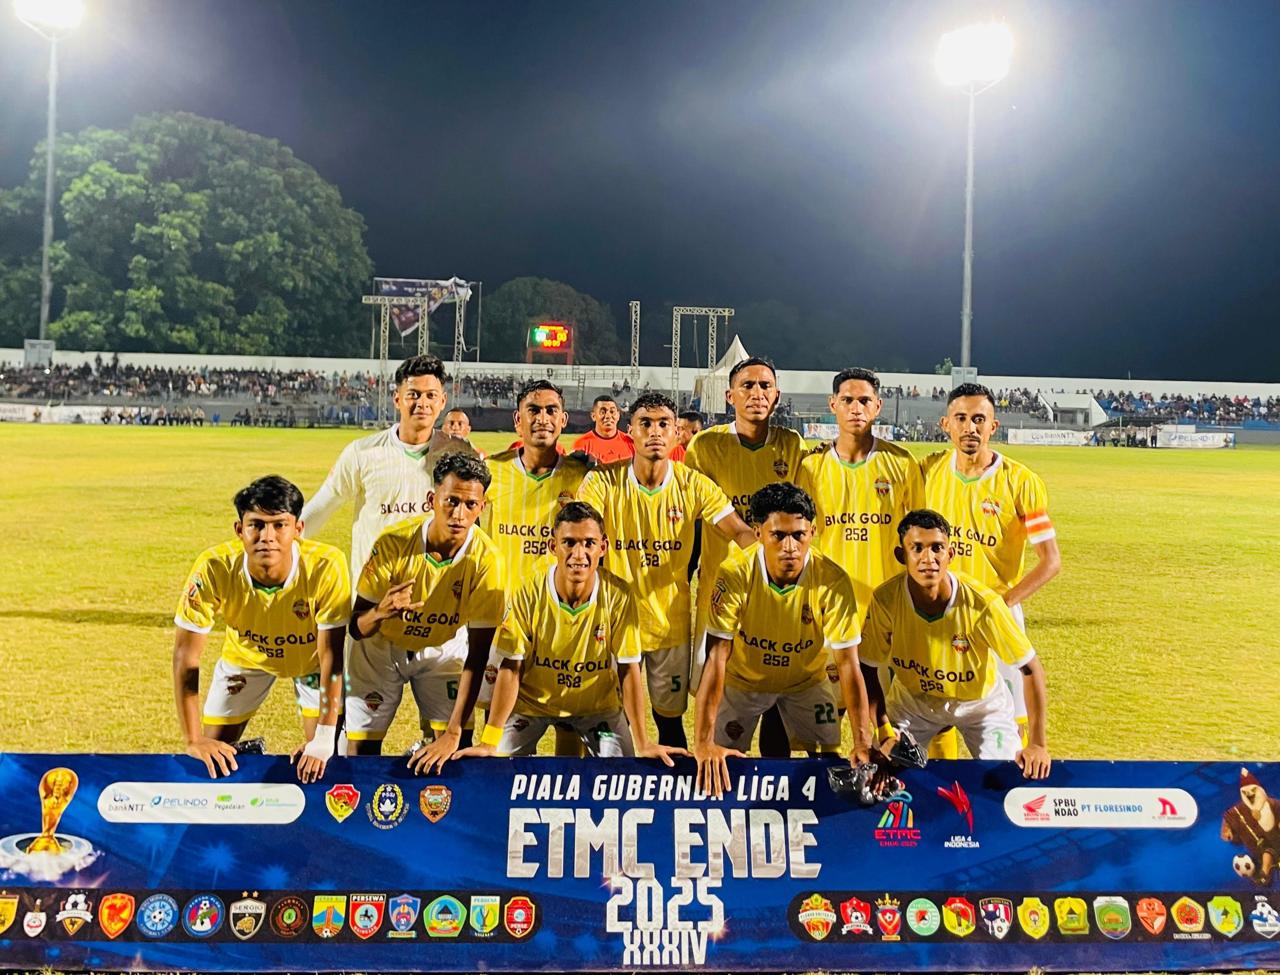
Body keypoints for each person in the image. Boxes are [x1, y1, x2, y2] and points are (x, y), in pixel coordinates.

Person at [579, 392, 755, 748]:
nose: (655, 432)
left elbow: (737, 530)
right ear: (631, 432)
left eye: (664, 424)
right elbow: (582, 528)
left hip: (669, 624)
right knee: (613, 721)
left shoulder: (693, 484)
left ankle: (671, 799)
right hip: (611, 623)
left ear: (677, 433)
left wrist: (770, 562)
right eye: (645, 423)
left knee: (670, 723)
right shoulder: (603, 482)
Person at [455, 502, 686, 763]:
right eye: (569, 543)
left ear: (603, 547)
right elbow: (511, 667)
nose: (579, 554)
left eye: (589, 543)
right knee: (495, 767)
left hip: (597, 710)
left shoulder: (619, 596)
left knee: (621, 773)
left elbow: (629, 668)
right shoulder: (528, 592)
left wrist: (642, 742)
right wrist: (489, 740)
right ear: (553, 546)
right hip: (532, 706)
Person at [693, 483, 871, 797]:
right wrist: (702, 742)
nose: (790, 546)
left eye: (799, 535)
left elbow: (848, 664)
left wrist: (863, 741)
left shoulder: (832, 579)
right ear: (759, 532)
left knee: (830, 757)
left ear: (813, 532)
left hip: (806, 681)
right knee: (720, 760)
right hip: (743, 681)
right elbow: (717, 658)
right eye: (778, 535)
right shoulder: (734, 574)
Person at [172, 476, 349, 782]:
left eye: (279, 525)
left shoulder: (327, 566)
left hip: (311, 664)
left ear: (298, 529)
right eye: (256, 524)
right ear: (239, 530)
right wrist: (193, 739)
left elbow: (332, 657)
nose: (267, 536)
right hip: (246, 659)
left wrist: (323, 738)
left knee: (327, 759)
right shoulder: (214, 567)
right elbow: (186, 656)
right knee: (211, 755)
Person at [922, 382, 1061, 755]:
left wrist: (1004, 601)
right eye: (962, 419)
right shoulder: (930, 473)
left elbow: (1050, 561)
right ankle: (946, 802)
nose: (970, 427)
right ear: (946, 424)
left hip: (995, 615)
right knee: (938, 713)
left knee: (1006, 723)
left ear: (993, 426)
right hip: (940, 614)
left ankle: (1004, 804)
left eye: (979, 419)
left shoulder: (1021, 482)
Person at [859, 509, 1051, 779]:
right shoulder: (886, 600)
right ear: (902, 556)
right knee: (882, 771)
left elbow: (1030, 668)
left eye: (937, 548)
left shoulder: (984, 604)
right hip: (914, 703)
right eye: (917, 548)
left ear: (950, 554)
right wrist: (884, 732)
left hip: (981, 705)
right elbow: (865, 667)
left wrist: (1038, 744)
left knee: (1008, 776)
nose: (929, 559)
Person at [344, 455, 505, 768]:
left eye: (470, 505)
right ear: (433, 499)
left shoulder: (488, 561)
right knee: (362, 753)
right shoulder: (393, 544)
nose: (459, 514)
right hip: (380, 650)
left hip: (443, 650)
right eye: (451, 501)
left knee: (455, 750)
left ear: (481, 507)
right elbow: (356, 627)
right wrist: (379, 611)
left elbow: (478, 653)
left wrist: (454, 732)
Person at [685, 356, 809, 757]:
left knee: (775, 692)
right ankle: (721, 790)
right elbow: (695, 520)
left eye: (765, 386)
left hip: (779, 594)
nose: (757, 393)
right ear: (729, 395)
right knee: (723, 692)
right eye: (748, 386)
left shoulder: (792, 446)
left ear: (776, 395)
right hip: (721, 592)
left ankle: (775, 797)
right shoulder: (705, 446)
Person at [481, 379, 592, 752]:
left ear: (563, 420)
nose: (542, 418)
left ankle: (563, 800)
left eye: (550, 411)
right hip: (504, 617)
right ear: (517, 420)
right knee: (496, 718)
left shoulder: (582, 475)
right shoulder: (491, 473)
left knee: (568, 719)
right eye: (533, 410)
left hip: (562, 619)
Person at [300, 355, 475, 587]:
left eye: (431, 395)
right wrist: (283, 542)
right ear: (397, 399)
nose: (422, 403)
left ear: (442, 401)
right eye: (413, 394)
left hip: (435, 593)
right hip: (373, 594)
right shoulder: (362, 452)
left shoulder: (458, 453)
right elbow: (324, 503)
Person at [797, 367, 924, 613]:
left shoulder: (902, 463)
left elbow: (920, 536)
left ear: (878, 406)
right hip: (832, 600)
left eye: (865, 401)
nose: (856, 409)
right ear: (833, 404)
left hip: (889, 602)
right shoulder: (812, 466)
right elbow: (802, 538)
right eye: (847, 400)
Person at [572, 394, 635, 464]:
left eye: (612, 412)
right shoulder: (582, 444)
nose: (608, 416)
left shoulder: (631, 443)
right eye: (602, 412)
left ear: (618, 415)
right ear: (593, 416)